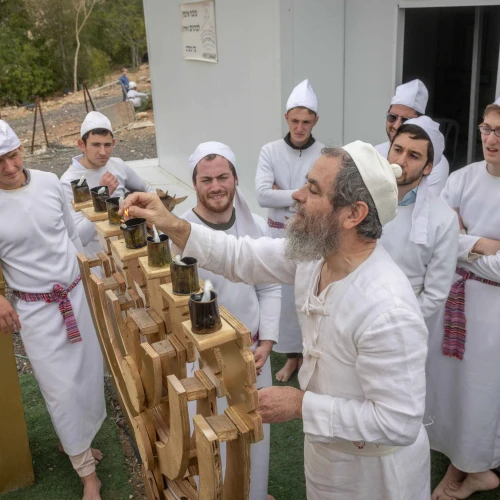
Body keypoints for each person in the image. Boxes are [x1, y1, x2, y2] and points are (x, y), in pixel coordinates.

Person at [123, 141, 431, 500]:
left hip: (378, 477)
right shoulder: (316, 256)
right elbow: (241, 255)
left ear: (353, 214)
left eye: (313, 189)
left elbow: (399, 422)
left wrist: (301, 404)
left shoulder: (388, 308)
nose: (296, 195)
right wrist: (171, 223)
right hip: (327, 452)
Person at [0, 121, 105, 500]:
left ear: (21, 151)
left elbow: (71, 235)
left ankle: (74, 443)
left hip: (76, 294)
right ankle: (87, 474)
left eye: (12, 156)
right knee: (59, 388)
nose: (9, 168)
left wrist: (90, 276)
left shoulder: (48, 182)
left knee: (89, 376)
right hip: (36, 309)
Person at [173, 141, 280, 500]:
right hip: (201, 361)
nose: (216, 186)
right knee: (210, 435)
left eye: (223, 177)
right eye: (207, 179)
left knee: (254, 434)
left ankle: (255, 492)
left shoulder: (259, 228)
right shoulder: (178, 234)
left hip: (252, 355)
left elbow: (269, 287)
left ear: (235, 179)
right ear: (195, 184)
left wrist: (268, 342)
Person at [427, 100, 500, 500]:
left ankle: (471, 469)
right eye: (486, 128)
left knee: (480, 390)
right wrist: (486, 244)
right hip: (453, 300)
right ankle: (457, 454)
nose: (491, 139)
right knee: (448, 383)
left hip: (493, 314)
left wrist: (464, 243)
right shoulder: (463, 177)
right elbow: (441, 240)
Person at [255, 79, 324, 382]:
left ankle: (306, 356)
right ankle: (290, 356)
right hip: (277, 236)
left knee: (306, 297)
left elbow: (325, 195)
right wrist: (301, 192)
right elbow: (260, 194)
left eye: (306, 122)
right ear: (286, 119)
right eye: (295, 121)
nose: (299, 128)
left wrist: (281, 192)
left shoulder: (325, 154)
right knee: (280, 299)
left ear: (315, 121)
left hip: (310, 237)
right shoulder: (269, 151)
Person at [380, 116, 459, 324]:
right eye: (397, 150)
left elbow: (435, 294)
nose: (400, 161)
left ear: (428, 167)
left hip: (403, 322)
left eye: (413, 155)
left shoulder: (443, 219)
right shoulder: (361, 200)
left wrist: (398, 324)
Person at [60, 111, 155, 258]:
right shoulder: (68, 181)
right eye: (96, 145)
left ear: (114, 143)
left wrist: (149, 216)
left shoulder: (117, 165)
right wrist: (102, 197)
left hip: (131, 247)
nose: (103, 152)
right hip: (99, 259)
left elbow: (148, 190)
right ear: (81, 145)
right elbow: (79, 237)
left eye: (107, 145)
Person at [375, 79, 449, 196]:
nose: (397, 125)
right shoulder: (375, 152)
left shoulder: (436, 164)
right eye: (392, 117)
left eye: (405, 120)